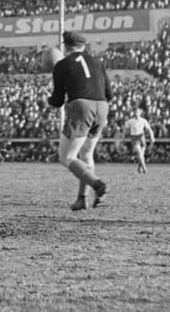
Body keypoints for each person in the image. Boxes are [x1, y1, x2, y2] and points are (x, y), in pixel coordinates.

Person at [48, 31, 111, 211]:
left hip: (82, 107)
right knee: (87, 154)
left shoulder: (62, 64)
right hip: (102, 107)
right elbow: (109, 94)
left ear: (66, 46)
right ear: (84, 46)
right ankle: (82, 199)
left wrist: (49, 99)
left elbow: (57, 100)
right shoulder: (97, 62)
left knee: (67, 156)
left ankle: (98, 185)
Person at [123, 107, 155, 173]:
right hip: (134, 137)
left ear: (140, 113)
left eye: (137, 112)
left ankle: (139, 169)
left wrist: (152, 137)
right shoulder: (130, 121)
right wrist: (123, 137)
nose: (136, 113)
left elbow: (149, 129)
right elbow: (125, 129)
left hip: (142, 137)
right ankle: (145, 169)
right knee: (140, 153)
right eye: (135, 112)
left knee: (141, 155)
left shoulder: (143, 120)